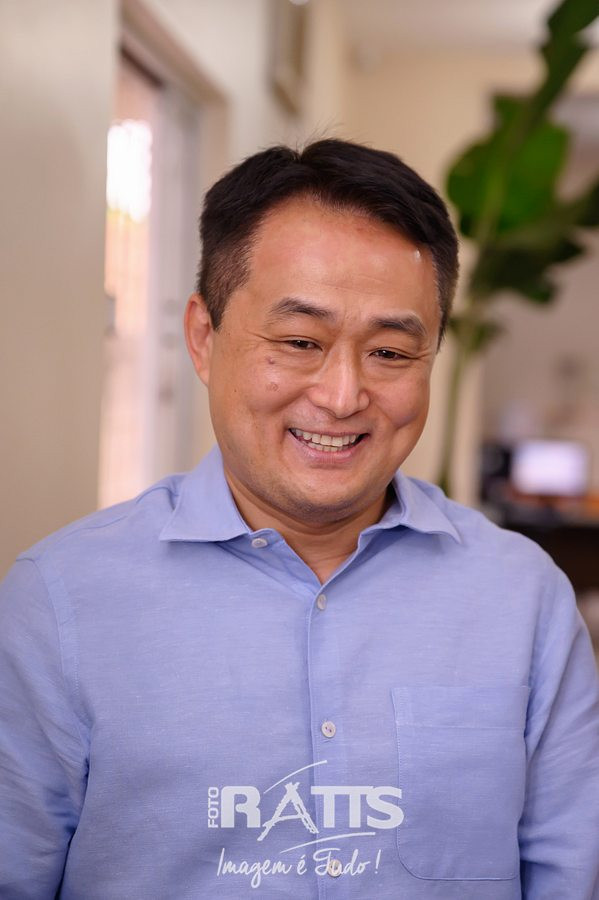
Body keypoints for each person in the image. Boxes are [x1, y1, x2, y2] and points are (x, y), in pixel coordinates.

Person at [1, 139, 598, 900]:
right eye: (298, 342)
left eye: (390, 352)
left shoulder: (523, 601)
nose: (342, 395)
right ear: (204, 338)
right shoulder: (60, 602)